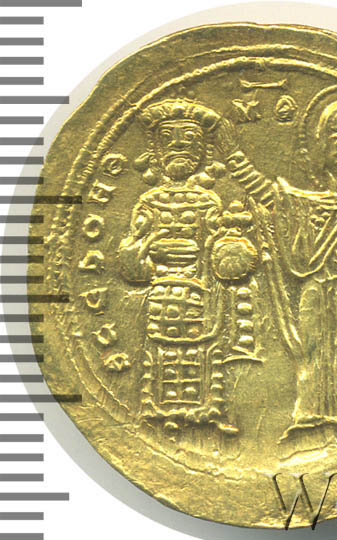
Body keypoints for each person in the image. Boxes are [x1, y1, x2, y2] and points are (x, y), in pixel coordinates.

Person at [217, 98, 337, 435]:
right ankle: (310, 414)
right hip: (314, 286)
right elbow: (266, 194)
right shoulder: (303, 203)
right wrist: (232, 155)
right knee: (310, 348)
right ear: (322, 150)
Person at [119, 98, 258, 437]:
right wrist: (146, 250)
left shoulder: (209, 201)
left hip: (202, 290)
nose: (179, 147)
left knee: (205, 350)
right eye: (169, 140)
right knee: (161, 350)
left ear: (203, 153)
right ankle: (158, 412)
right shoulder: (149, 202)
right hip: (163, 288)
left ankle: (207, 412)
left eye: (189, 140)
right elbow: (133, 254)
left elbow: (216, 246)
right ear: (156, 152)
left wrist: (230, 242)